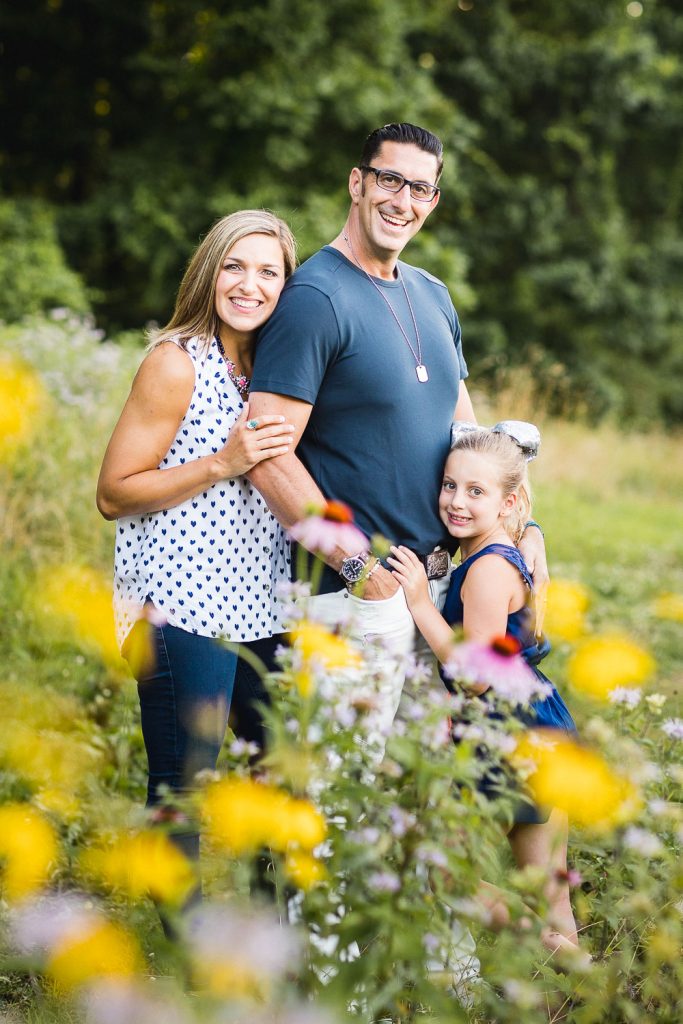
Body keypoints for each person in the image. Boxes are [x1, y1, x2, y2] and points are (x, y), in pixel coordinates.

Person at [247, 121, 547, 729]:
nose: (402, 201)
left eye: (420, 188)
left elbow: (472, 442)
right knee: (340, 796)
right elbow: (267, 454)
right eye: (389, 180)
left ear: (433, 201)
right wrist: (364, 572)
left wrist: (523, 527)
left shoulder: (433, 294)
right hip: (355, 597)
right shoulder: (313, 297)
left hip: (440, 591)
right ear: (357, 183)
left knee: (417, 801)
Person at [96, 210, 297, 862]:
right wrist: (220, 464)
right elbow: (113, 490)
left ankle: (278, 944)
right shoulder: (176, 363)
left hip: (265, 605)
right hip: (181, 606)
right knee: (186, 788)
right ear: (209, 274)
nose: (249, 285)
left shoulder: (279, 372)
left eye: (268, 271)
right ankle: (184, 953)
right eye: (234, 266)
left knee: (283, 779)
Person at [387, 424, 579, 952]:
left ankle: (574, 967)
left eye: (476, 492)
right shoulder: (509, 546)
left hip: (510, 734)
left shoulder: (487, 572)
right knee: (550, 890)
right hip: (542, 721)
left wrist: (421, 603)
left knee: (446, 876)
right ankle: (571, 996)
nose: (456, 501)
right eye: (450, 485)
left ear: (508, 500)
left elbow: (476, 677)